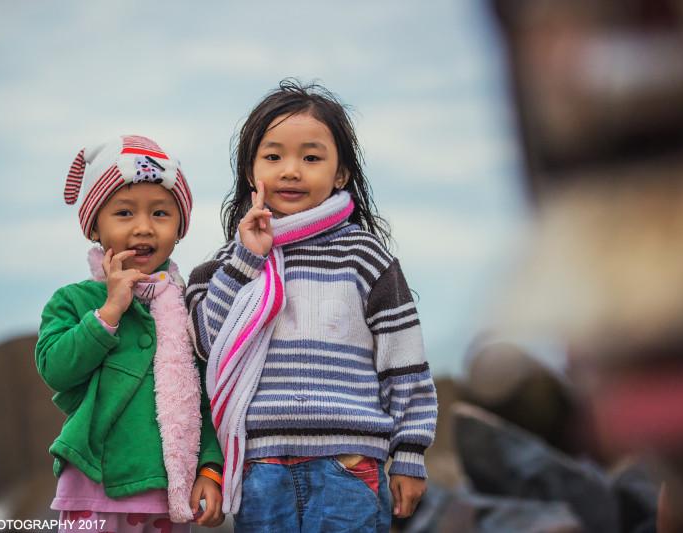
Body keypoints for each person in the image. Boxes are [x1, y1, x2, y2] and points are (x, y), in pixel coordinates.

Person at [185, 80, 438, 531]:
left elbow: (404, 362)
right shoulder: (229, 263)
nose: (291, 170)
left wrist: (410, 454)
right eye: (274, 156)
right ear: (251, 172)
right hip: (260, 468)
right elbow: (203, 343)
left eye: (312, 157)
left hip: (349, 465)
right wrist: (247, 259)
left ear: (340, 173)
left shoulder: (365, 258)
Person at [35, 135, 224, 532]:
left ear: (180, 227)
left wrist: (210, 467)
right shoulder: (74, 300)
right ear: (94, 228)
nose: (143, 228)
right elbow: (55, 369)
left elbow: (207, 398)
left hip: (167, 491)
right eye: (123, 213)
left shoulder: (190, 306)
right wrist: (108, 313)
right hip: (93, 485)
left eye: (160, 214)